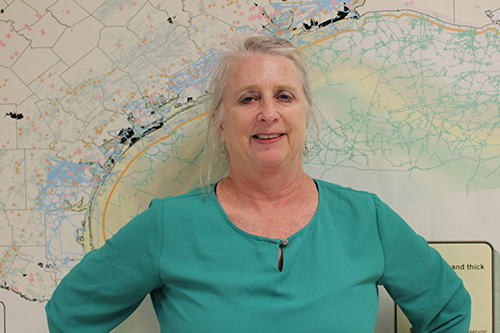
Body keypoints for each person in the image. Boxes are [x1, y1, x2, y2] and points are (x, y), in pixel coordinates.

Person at [45, 34, 471, 332]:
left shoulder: (367, 220)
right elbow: (71, 314)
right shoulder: (168, 226)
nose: (268, 113)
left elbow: (449, 312)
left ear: (305, 113)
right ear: (221, 122)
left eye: (284, 96)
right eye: (248, 98)